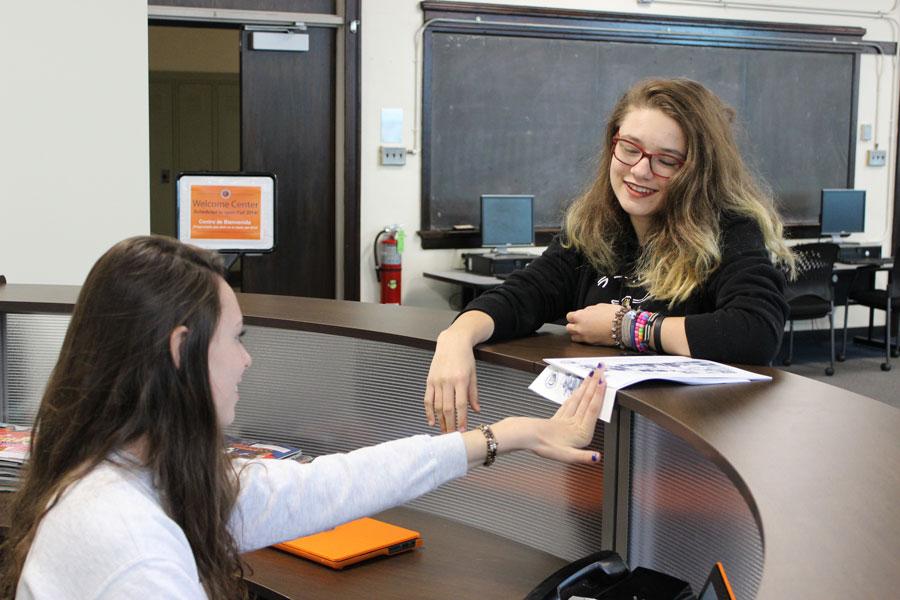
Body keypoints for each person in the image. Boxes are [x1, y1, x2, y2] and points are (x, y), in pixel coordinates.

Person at [0, 236, 606, 599]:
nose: (246, 360)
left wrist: (509, 434)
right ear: (182, 350)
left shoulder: (131, 475)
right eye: (235, 340)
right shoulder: (132, 548)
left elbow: (327, 485)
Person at [424, 78, 793, 433]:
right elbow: (523, 294)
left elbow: (756, 331)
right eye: (630, 149)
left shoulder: (730, 229)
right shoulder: (595, 225)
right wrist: (456, 336)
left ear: (698, 172)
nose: (639, 170)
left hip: (690, 441)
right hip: (601, 432)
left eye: (666, 160)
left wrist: (627, 326)